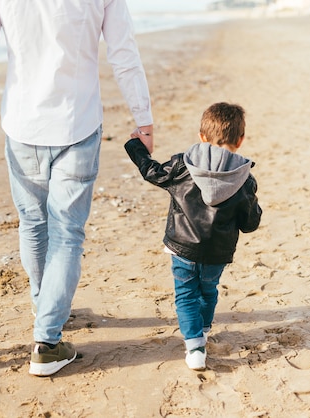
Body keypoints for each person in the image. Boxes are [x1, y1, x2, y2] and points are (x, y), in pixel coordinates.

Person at [0, 0, 154, 376]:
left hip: (23, 125)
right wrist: (143, 120)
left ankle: (43, 307)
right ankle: (46, 340)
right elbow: (123, 51)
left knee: (33, 223)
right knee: (66, 233)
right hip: (77, 123)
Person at [124, 102, 262, 371]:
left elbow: (152, 172)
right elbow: (250, 224)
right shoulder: (244, 179)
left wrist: (136, 146)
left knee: (186, 294)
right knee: (208, 290)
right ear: (241, 140)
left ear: (201, 137)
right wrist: (251, 204)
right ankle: (204, 329)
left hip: (182, 247)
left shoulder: (182, 165)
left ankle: (195, 346)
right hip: (217, 252)